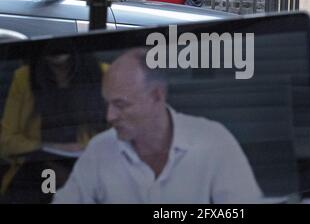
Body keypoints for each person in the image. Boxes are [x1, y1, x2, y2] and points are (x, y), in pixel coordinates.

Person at [53, 48, 262, 203]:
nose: (109, 116)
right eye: (107, 104)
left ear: (156, 96)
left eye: (120, 104)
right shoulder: (100, 149)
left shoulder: (214, 141)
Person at [0, 51, 108, 203]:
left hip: (87, 167)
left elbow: (125, 131)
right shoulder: (24, 78)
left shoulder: (104, 74)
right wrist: (47, 146)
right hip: (35, 168)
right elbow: (5, 142)